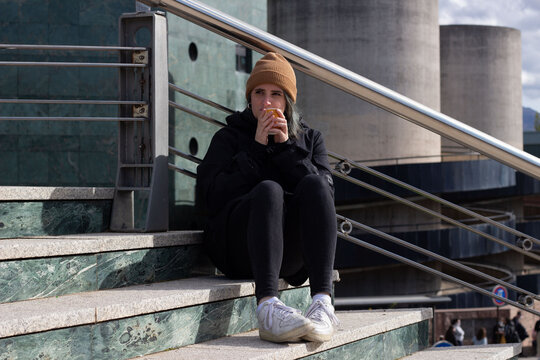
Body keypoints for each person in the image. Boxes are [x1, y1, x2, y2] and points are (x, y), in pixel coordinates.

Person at [196, 52, 338, 343]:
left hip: (290, 255)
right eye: (259, 93)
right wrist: (256, 149)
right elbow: (208, 198)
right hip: (238, 250)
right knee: (269, 190)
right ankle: (267, 308)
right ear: (249, 98)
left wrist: (287, 148)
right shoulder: (229, 137)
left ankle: (322, 303)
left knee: (314, 184)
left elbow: (325, 196)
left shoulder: (310, 139)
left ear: (288, 101)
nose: (267, 102)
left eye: (276, 94)